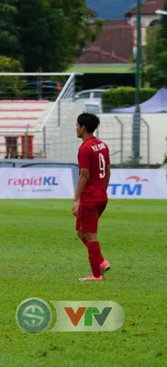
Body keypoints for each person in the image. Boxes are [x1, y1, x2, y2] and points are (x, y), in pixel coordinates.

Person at [73, 112, 111, 282]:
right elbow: (108, 170)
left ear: (83, 127)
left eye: (77, 125)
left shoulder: (85, 148)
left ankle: (96, 275)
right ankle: (101, 262)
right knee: (81, 231)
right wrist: (103, 190)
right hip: (101, 196)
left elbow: (84, 176)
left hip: (90, 198)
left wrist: (76, 199)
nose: (76, 128)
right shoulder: (102, 145)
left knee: (90, 236)